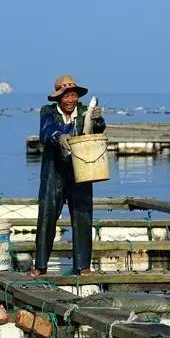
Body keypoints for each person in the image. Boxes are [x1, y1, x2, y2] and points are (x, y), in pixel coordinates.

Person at [27, 75, 105, 278]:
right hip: (54, 171)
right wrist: (59, 136)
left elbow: (96, 130)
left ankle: (83, 265)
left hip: (82, 170)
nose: (70, 100)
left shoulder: (86, 112)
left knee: (82, 215)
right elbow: (46, 130)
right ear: (58, 98)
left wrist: (98, 120)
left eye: (73, 95)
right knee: (47, 215)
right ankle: (40, 265)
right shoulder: (48, 111)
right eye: (66, 96)